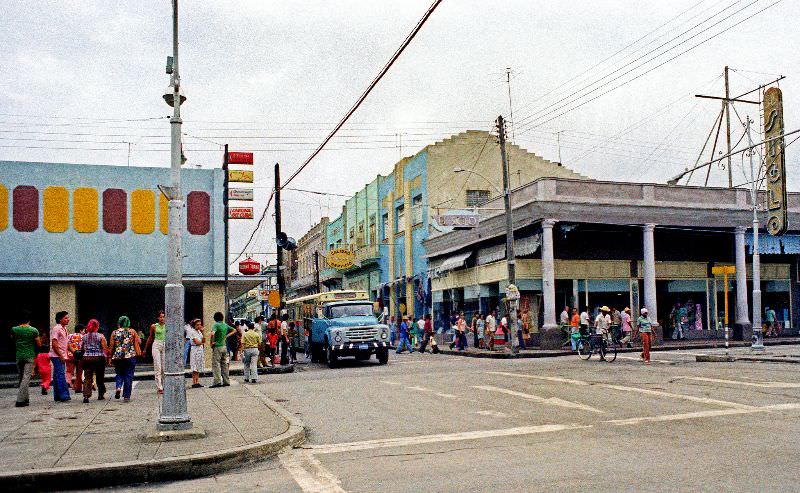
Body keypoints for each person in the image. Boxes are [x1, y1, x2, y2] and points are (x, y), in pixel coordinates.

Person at [109, 316, 141, 402]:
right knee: (128, 375)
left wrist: (109, 358)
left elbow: (111, 346)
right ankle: (126, 396)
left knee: (119, 374)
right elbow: (139, 341)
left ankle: (118, 387)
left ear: (119, 323)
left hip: (118, 357)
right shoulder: (132, 331)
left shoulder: (114, 332)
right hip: (130, 356)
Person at [12, 310, 40, 407]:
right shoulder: (33, 330)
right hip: (29, 355)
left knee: (21, 377)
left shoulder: (14, 329)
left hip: (19, 355)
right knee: (26, 378)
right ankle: (20, 400)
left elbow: (13, 339)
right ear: (29, 320)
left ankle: (26, 398)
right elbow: (38, 344)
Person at [80, 319, 108, 403]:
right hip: (98, 358)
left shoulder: (84, 336)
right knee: (100, 376)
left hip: (87, 358)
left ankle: (86, 395)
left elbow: (82, 348)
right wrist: (107, 357)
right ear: (97, 326)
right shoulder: (101, 336)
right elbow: (104, 348)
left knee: (87, 377)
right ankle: (100, 394)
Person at [50, 311, 72, 402]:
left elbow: (67, 343)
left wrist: (73, 351)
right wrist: (61, 356)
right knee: (60, 375)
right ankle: (64, 395)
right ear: (60, 319)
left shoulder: (64, 329)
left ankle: (57, 396)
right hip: (57, 355)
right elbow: (54, 343)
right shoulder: (56, 329)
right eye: (66, 318)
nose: (68, 319)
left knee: (57, 375)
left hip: (61, 354)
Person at [210, 312, 235, 387]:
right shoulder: (225, 325)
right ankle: (226, 381)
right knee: (224, 364)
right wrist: (227, 336)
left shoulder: (216, 325)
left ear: (215, 318)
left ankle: (217, 381)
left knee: (216, 364)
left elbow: (212, 333)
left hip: (217, 346)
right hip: (224, 346)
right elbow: (234, 330)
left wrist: (212, 342)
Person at [145, 310, 166, 394]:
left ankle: (165, 385)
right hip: (157, 344)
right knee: (158, 366)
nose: (162, 318)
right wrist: (145, 349)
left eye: (163, 317)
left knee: (164, 367)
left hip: (165, 344)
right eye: (160, 317)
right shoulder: (154, 326)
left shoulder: (167, 326)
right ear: (158, 318)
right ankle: (159, 387)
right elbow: (150, 337)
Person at [66, 323, 85, 394]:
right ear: (80, 330)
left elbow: (66, 345)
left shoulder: (69, 336)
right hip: (79, 356)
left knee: (69, 371)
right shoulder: (83, 336)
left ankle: (67, 381)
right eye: (83, 330)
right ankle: (78, 387)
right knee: (79, 372)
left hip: (70, 355)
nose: (84, 332)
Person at [187, 319, 205, 388]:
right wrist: (201, 342)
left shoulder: (199, 332)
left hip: (200, 349)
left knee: (198, 365)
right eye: (197, 325)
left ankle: (197, 381)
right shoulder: (192, 332)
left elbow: (204, 340)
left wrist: (203, 333)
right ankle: (194, 382)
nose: (199, 326)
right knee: (195, 366)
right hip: (195, 349)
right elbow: (197, 342)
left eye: (200, 324)